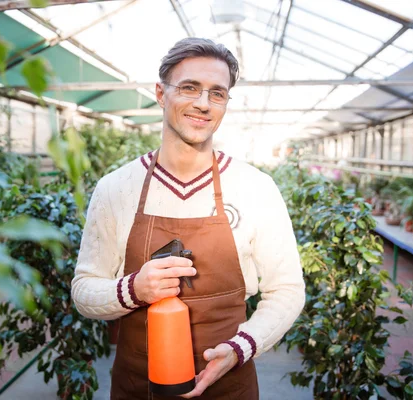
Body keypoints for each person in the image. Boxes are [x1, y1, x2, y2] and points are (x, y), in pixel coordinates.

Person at [71, 37, 305, 399]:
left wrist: (241, 347)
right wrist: (132, 289)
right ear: (161, 94)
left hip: (229, 382)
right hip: (139, 385)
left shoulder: (255, 187)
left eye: (217, 93)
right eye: (189, 88)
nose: (203, 103)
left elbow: (287, 289)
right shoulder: (116, 188)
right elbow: (84, 290)